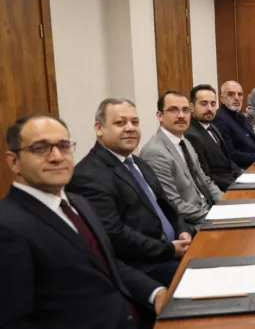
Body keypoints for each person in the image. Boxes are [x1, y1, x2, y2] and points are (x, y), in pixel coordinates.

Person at [0, 113, 166, 329]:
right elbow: (14, 320)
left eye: (63, 146)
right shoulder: (7, 226)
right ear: (14, 162)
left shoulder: (79, 203)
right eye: (40, 148)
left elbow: (107, 264)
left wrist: (156, 293)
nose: (57, 157)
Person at [67, 98, 193, 287]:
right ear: (99, 128)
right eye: (120, 123)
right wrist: (169, 249)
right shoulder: (88, 175)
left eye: (135, 122)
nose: (130, 128)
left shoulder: (138, 163)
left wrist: (182, 230)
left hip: (174, 249)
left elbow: (168, 206)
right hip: (145, 267)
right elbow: (115, 235)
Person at [140, 91, 223, 228]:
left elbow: (205, 181)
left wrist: (227, 203)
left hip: (209, 211)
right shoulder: (155, 153)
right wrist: (215, 216)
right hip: (192, 224)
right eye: (173, 110)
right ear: (160, 115)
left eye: (185, 110)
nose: (181, 115)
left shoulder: (185, 142)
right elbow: (174, 204)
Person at [185, 85, 242, 191]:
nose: (209, 108)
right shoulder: (190, 135)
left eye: (213, 104)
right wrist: (237, 187)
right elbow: (206, 176)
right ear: (191, 107)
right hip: (223, 190)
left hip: (234, 182)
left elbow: (228, 161)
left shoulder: (213, 127)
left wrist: (244, 177)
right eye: (203, 103)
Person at [212, 80, 255, 169]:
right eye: (231, 94)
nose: (236, 98)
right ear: (222, 99)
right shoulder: (219, 118)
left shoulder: (240, 115)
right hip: (245, 167)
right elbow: (230, 154)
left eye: (240, 94)